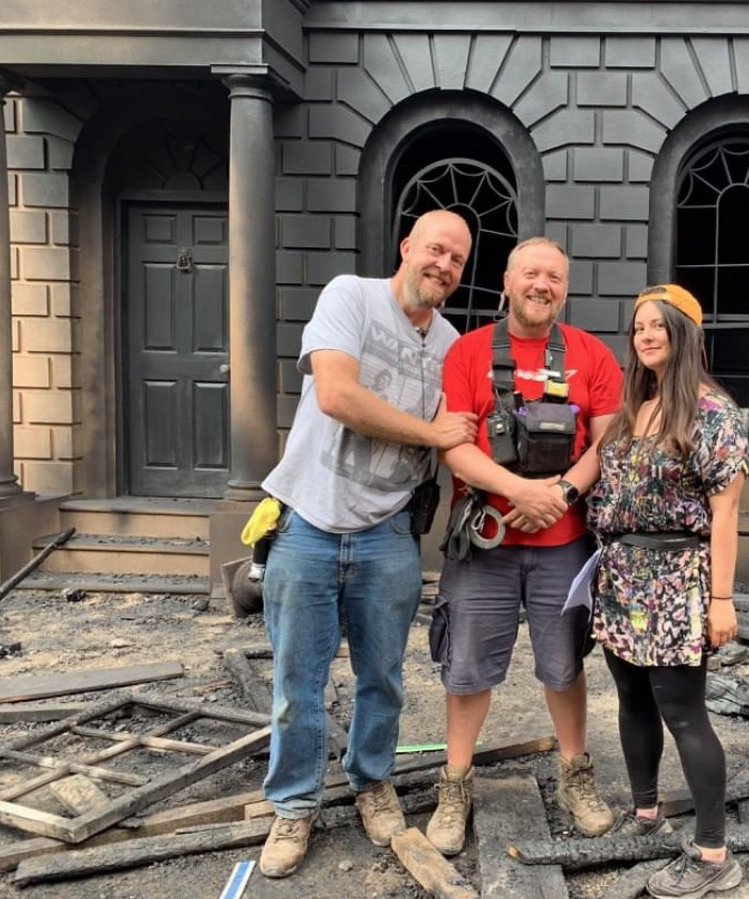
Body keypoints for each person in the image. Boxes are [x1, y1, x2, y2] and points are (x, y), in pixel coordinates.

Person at [256, 210, 478, 878]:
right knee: (298, 681)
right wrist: (431, 433)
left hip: (388, 533)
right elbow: (337, 395)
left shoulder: (452, 344)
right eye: (436, 249)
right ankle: (294, 804)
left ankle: (371, 781)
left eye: (459, 260)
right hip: (309, 524)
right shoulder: (348, 296)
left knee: (383, 677)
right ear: (407, 247)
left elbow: (464, 431)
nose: (444, 265)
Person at [424, 237, 622, 856]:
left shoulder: (592, 356)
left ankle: (575, 776)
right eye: (531, 273)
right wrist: (519, 492)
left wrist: (560, 495)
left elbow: (607, 443)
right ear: (506, 282)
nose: (543, 285)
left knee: (564, 667)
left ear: (565, 287)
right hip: (485, 540)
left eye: (555, 277)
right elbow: (451, 444)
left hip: (565, 545)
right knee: (465, 669)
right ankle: (455, 785)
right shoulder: (467, 353)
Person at [587, 284, 749, 899]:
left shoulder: (712, 414)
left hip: (678, 579)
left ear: (685, 334)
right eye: (638, 328)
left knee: (683, 711)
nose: (646, 335)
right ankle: (647, 814)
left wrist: (722, 599)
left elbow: (726, 514)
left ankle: (712, 854)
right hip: (622, 575)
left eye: (659, 325)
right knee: (631, 699)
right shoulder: (636, 409)